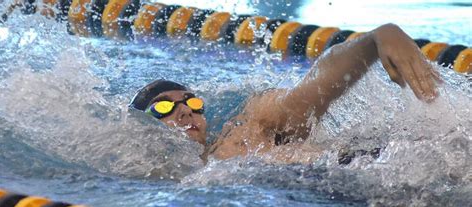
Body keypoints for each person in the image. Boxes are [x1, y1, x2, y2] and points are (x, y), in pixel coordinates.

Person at [130, 24, 440, 163]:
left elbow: (310, 93)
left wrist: (375, 40)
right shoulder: (148, 173)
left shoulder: (247, 127)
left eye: (191, 102)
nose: (184, 111)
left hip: (379, 166)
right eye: (163, 108)